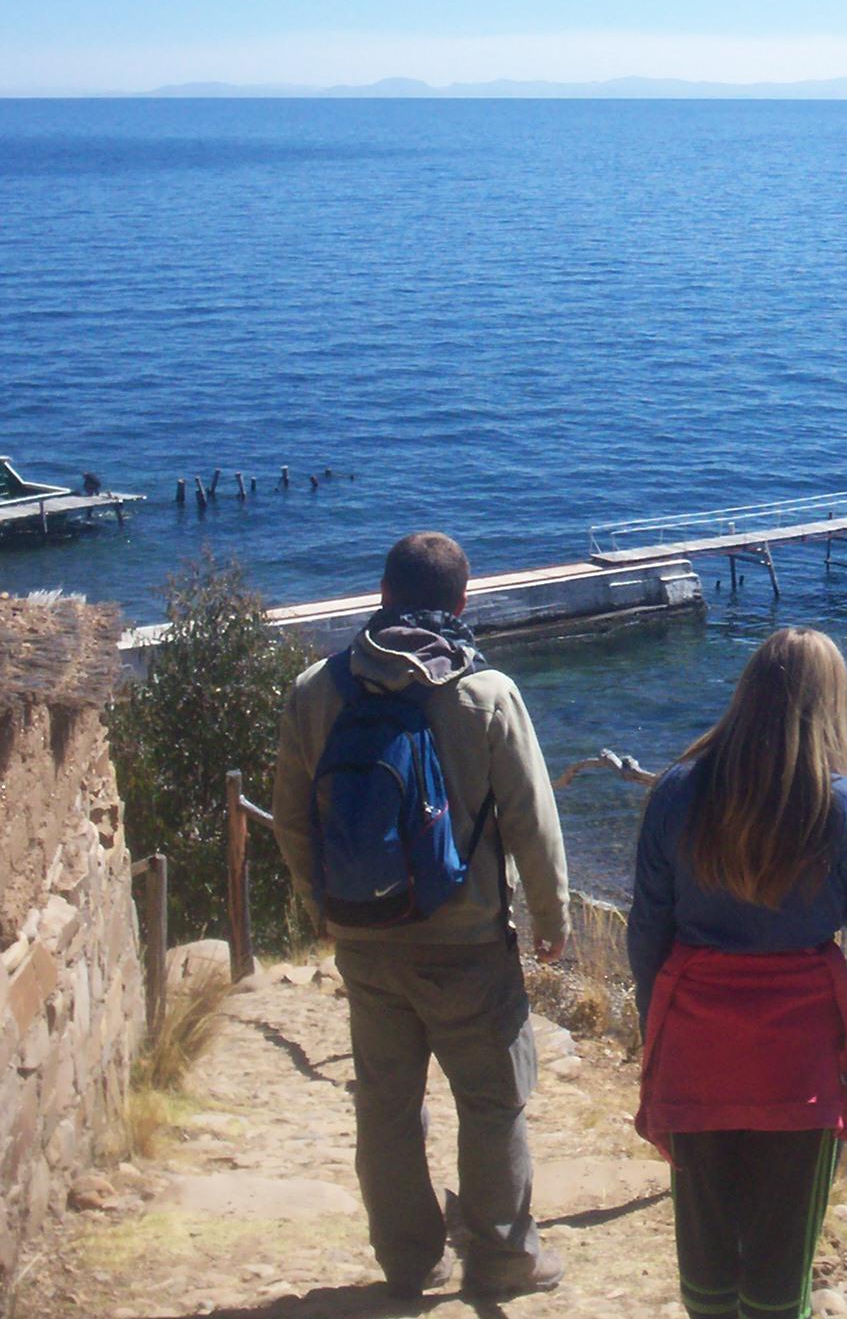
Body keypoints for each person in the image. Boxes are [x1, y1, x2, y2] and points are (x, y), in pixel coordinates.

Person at [272, 531, 570, 1300]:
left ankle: (409, 1262)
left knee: (387, 1107)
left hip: (367, 941)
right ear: (462, 602)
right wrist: (552, 918)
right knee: (493, 1102)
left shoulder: (316, 690)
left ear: (382, 592)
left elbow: (291, 820)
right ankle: (505, 1261)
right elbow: (533, 820)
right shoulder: (486, 695)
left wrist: (319, 907)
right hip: (468, 943)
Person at [628, 627, 847, 1319]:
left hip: (696, 1044)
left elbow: (646, 935)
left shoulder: (677, 792)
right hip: (797, 1063)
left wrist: (654, 1035)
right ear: (832, 705)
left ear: (746, 693)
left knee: (706, 1247)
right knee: (782, 1264)